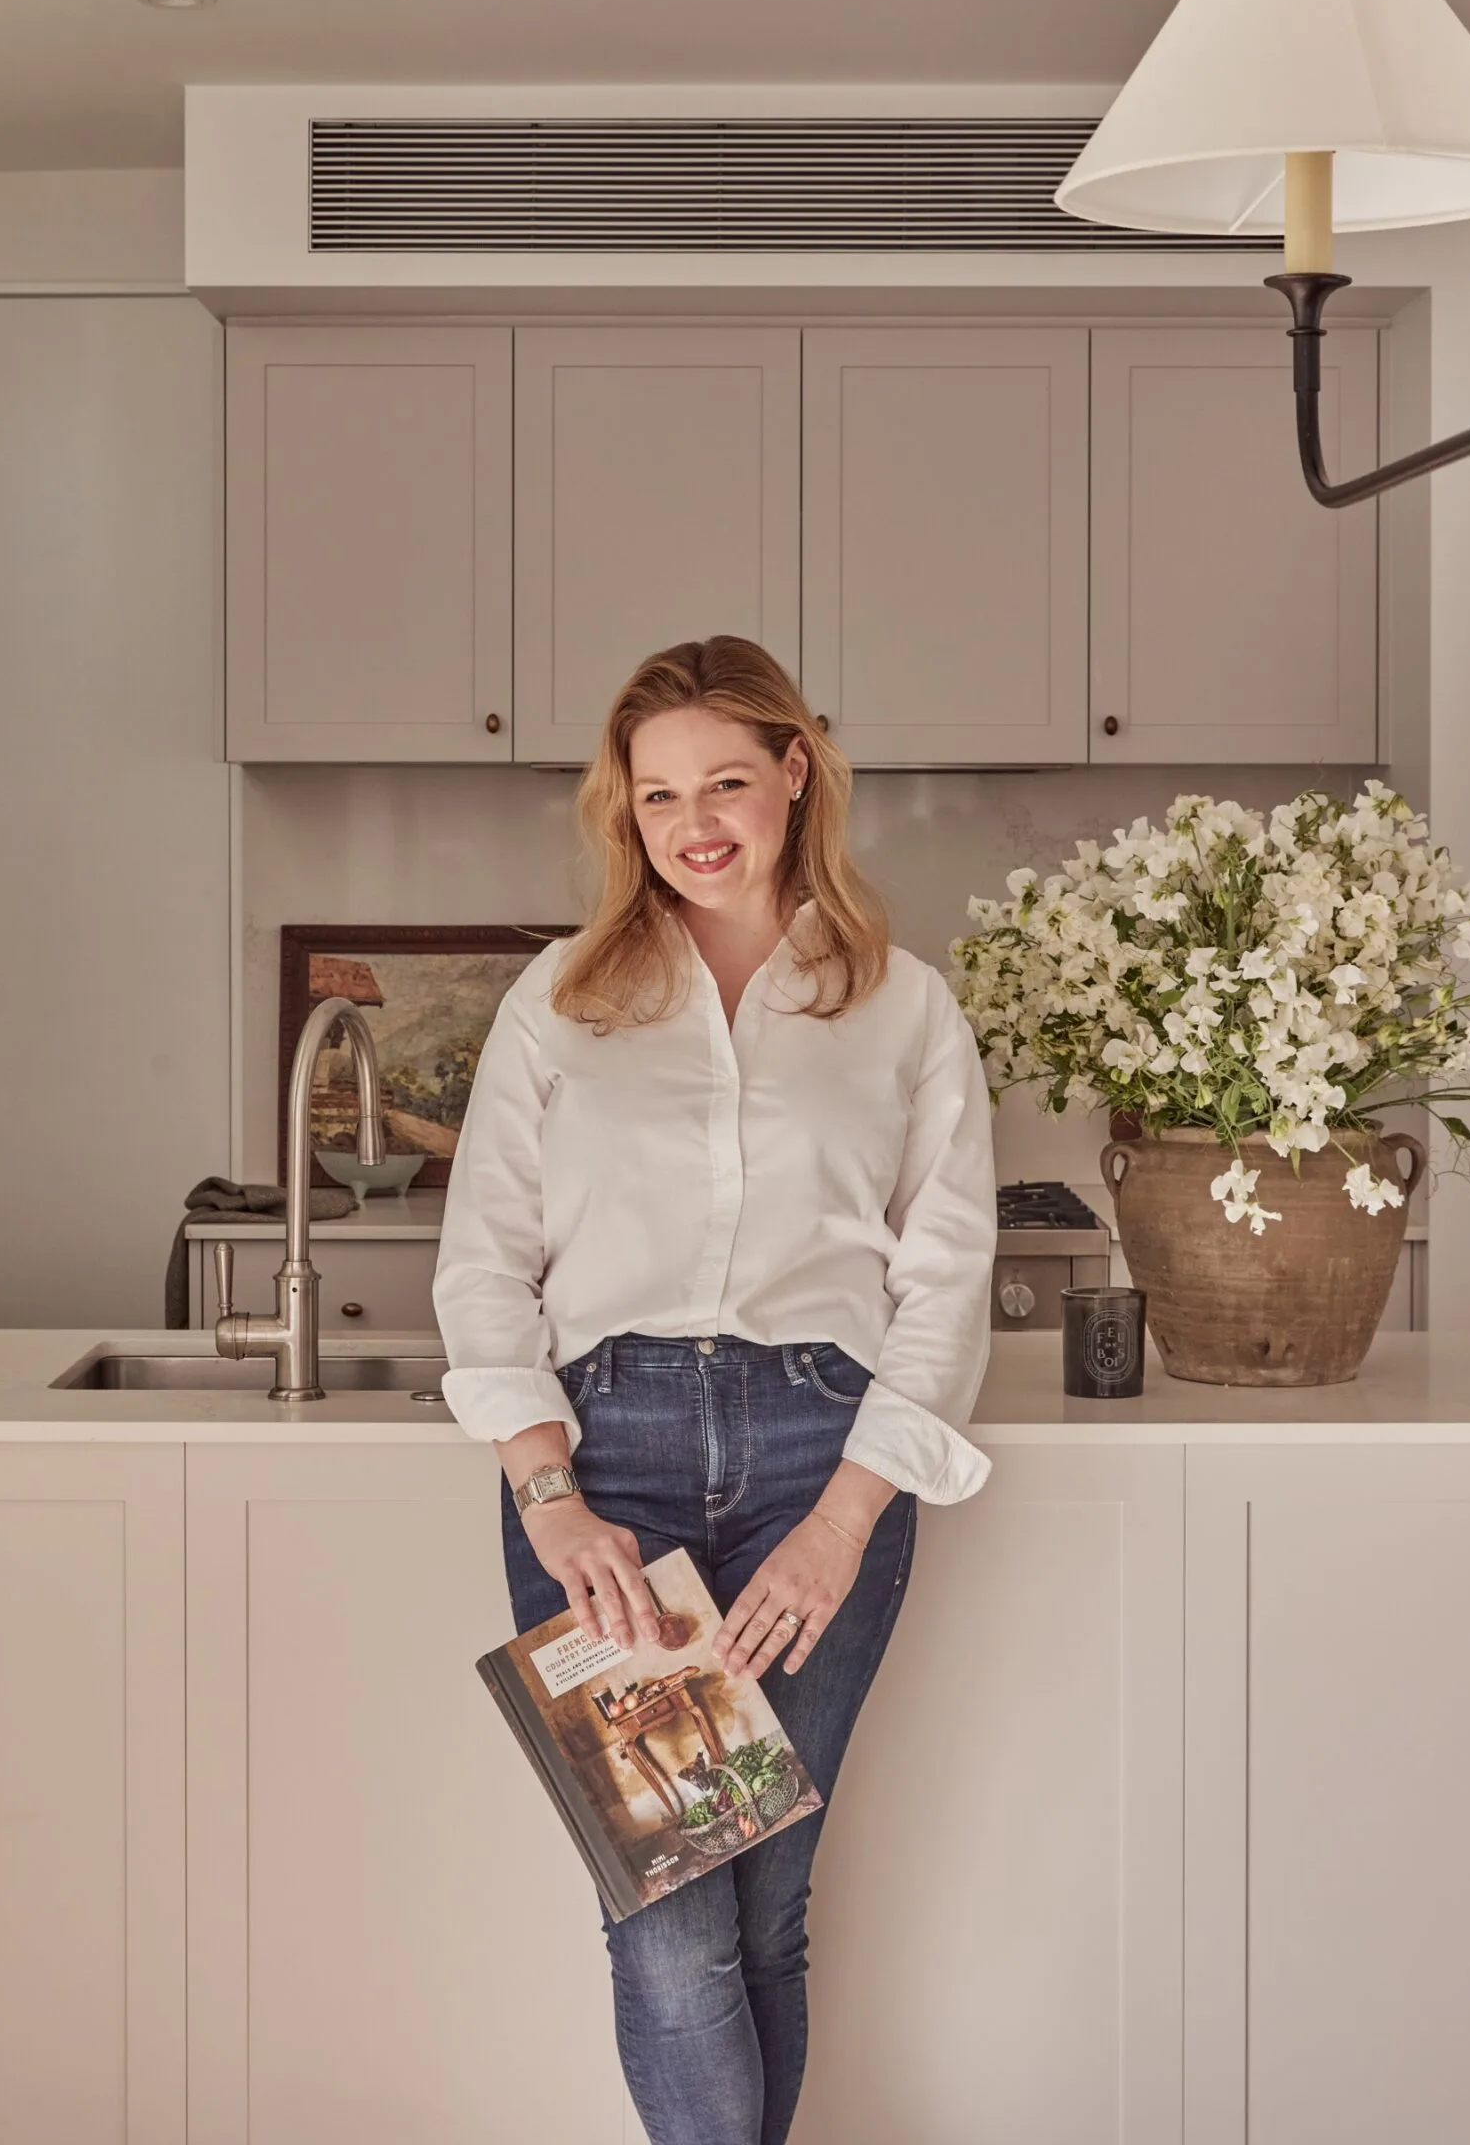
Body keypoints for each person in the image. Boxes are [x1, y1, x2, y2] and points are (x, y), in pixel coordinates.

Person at [433, 634, 997, 2145]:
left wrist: (843, 1522)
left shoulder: (903, 1007)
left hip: (830, 1453)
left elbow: (943, 1283)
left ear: (794, 774)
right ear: (622, 808)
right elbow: (484, 1266)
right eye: (659, 791)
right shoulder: (559, 1001)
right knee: (668, 1920)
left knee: (764, 1909)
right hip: (604, 1463)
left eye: (727, 783)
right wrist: (550, 1503)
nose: (694, 822)